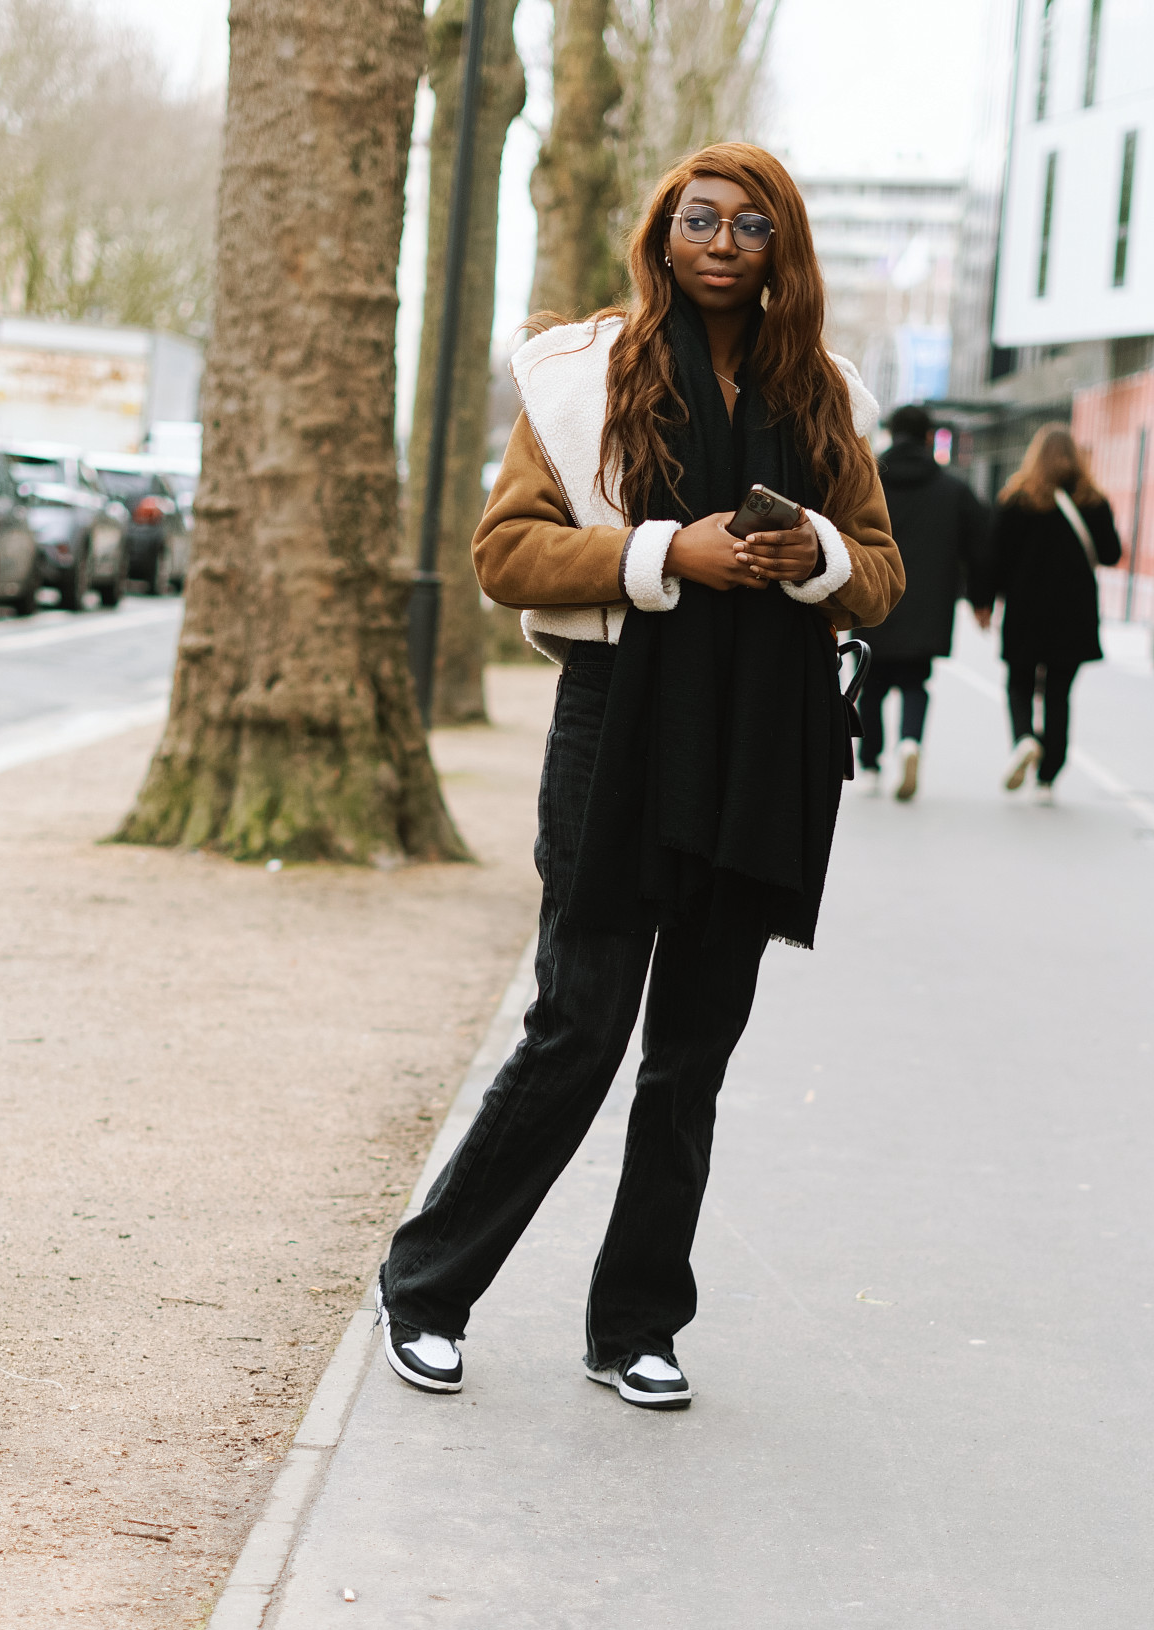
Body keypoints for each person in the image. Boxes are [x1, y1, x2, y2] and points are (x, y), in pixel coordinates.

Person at [375, 143, 903, 1413]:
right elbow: (507, 551)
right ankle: (427, 1288)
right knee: (579, 1027)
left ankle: (638, 1324)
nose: (723, 241)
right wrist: (673, 553)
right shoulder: (585, 378)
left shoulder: (825, 397)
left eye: (751, 224)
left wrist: (812, 549)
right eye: (700, 218)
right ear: (664, 236)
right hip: (617, 734)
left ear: (784, 249)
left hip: (762, 749)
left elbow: (881, 570)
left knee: (692, 1054)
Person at [971, 424, 1122, 801]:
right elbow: (1111, 554)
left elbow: (993, 557)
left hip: (1025, 610)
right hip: (1074, 614)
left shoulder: (1017, 498)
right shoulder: (1093, 500)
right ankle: (1048, 777)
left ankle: (1024, 739)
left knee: (1019, 683)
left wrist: (983, 602)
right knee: (1058, 693)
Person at [857, 404, 990, 801]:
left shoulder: (868, 482)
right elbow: (981, 549)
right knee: (915, 683)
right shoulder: (953, 488)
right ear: (929, 437)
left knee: (873, 686)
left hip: (873, 598)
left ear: (890, 433)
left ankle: (869, 765)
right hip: (928, 609)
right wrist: (982, 599)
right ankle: (910, 742)